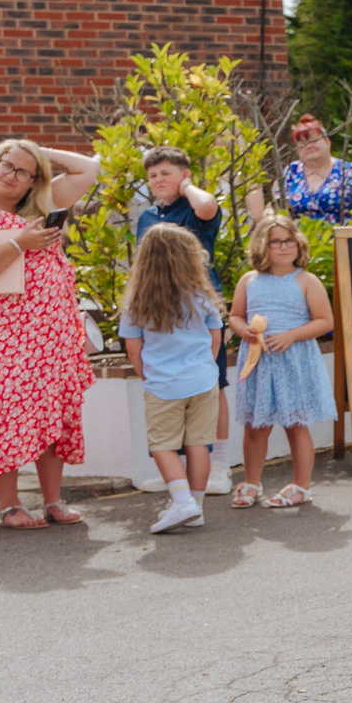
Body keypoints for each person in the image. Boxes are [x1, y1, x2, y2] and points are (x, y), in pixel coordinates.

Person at [0, 137, 102, 530]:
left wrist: (37, 153)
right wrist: (21, 243)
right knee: (4, 413)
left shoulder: (40, 204)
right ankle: (10, 505)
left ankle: (53, 500)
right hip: (0, 336)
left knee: (52, 412)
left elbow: (89, 169)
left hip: (48, 336)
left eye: (23, 172)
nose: (13, 176)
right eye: (7, 165)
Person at [135, 146, 233, 494]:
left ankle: (218, 465)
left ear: (185, 175)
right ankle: (175, 471)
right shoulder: (147, 217)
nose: (158, 180)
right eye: (152, 175)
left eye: (166, 173)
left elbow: (207, 206)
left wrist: (188, 187)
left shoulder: (195, 208)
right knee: (168, 392)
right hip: (159, 313)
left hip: (197, 314)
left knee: (214, 384)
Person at [119, 225, 224, 535]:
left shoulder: (137, 302)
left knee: (163, 446)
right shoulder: (203, 297)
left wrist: (146, 376)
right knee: (199, 445)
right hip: (204, 381)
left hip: (163, 384)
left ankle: (181, 501)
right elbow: (214, 340)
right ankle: (197, 506)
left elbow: (132, 348)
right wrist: (205, 369)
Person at [228, 214, 336, 508]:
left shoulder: (306, 281)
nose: (284, 247)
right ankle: (252, 483)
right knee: (255, 425)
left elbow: (325, 321)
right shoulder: (249, 280)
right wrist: (244, 331)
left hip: (294, 362)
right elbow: (235, 315)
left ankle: (302, 486)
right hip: (259, 362)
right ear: (263, 246)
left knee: (296, 424)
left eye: (289, 241)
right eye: (276, 242)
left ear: (298, 244)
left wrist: (291, 336)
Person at [249, 115, 352, 226]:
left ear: (327, 142)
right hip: (298, 249)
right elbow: (273, 209)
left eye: (313, 140)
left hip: (344, 247)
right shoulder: (289, 174)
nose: (308, 146)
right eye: (302, 143)